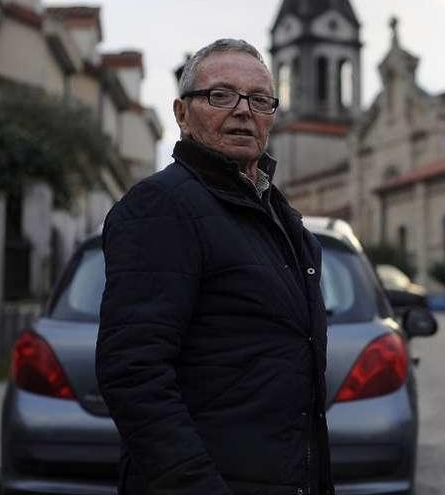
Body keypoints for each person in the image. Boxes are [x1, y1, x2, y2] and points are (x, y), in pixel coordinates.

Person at [96, 39, 332, 495]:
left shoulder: (283, 221)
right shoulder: (161, 207)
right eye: (221, 95)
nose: (244, 111)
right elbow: (133, 374)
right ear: (182, 114)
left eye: (260, 99)